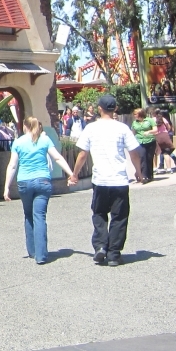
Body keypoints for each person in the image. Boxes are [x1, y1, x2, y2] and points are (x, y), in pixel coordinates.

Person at [67, 94, 144, 267]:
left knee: (99, 213)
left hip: (100, 179)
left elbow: (82, 154)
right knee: (119, 216)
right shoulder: (123, 128)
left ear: (100, 109)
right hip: (119, 180)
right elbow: (134, 153)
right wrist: (138, 172)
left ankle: (101, 246)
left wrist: (75, 174)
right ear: (115, 109)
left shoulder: (91, 128)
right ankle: (114, 254)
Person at [3, 117, 75, 265]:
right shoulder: (44, 140)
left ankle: (32, 251)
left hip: (24, 182)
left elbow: (12, 166)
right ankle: (41, 255)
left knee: (28, 215)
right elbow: (58, 158)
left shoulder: (18, 142)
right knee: (40, 216)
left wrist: (6, 187)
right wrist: (71, 174)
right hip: (43, 181)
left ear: (25, 126)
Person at [130, 108, 157, 183]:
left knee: (149, 158)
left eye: (135, 114)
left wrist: (149, 131)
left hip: (150, 141)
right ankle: (144, 176)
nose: (134, 115)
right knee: (142, 157)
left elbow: (155, 130)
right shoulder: (134, 123)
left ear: (140, 114)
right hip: (140, 142)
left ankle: (150, 175)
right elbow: (133, 132)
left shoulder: (149, 120)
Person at [153, 109, 176, 173]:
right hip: (165, 136)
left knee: (155, 153)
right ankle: (169, 168)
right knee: (166, 152)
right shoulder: (163, 119)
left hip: (156, 136)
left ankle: (155, 168)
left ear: (153, 114)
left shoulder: (152, 120)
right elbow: (169, 127)